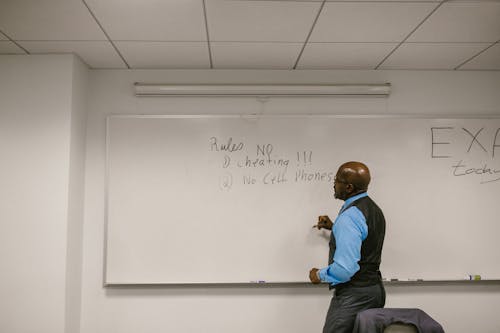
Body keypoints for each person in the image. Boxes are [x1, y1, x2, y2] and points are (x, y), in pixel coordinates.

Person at [309, 161, 386, 333]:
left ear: (349, 187)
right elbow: (363, 238)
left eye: (337, 180)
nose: (334, 184)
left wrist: (318, 275)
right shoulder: (374, 209)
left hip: (354, 295)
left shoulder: (349, 217)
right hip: (374, 291)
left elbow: (344, 270)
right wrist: (334, 227)